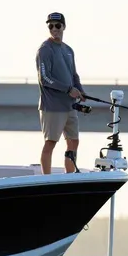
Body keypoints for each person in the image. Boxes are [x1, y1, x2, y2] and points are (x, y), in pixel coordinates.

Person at [35, 12, 86, 175]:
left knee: (73, 141)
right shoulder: (44, 50)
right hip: (52, 107)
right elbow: (45, 78)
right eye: (50, 26)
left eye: (57, 25)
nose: (54, 29)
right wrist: (68, 89)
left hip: (69, 106)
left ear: (64, 27)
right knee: (50, 142)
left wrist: (80, 90)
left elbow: (73, 75)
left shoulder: (68, 50)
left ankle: (69, 176)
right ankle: (46, 179)